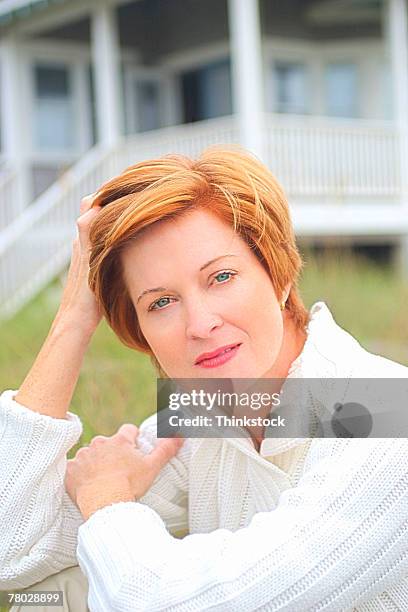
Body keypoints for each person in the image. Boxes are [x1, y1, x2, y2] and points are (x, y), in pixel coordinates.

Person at [0, 147, 407, 612]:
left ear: (279, 277)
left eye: (222, 276)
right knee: (49, 597)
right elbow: (10, 550)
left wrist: (107, 499)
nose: (199, 323)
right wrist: (74, 317)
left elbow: (171, 603)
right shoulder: (203, 417)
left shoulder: (390, 417)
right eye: (160, 302)